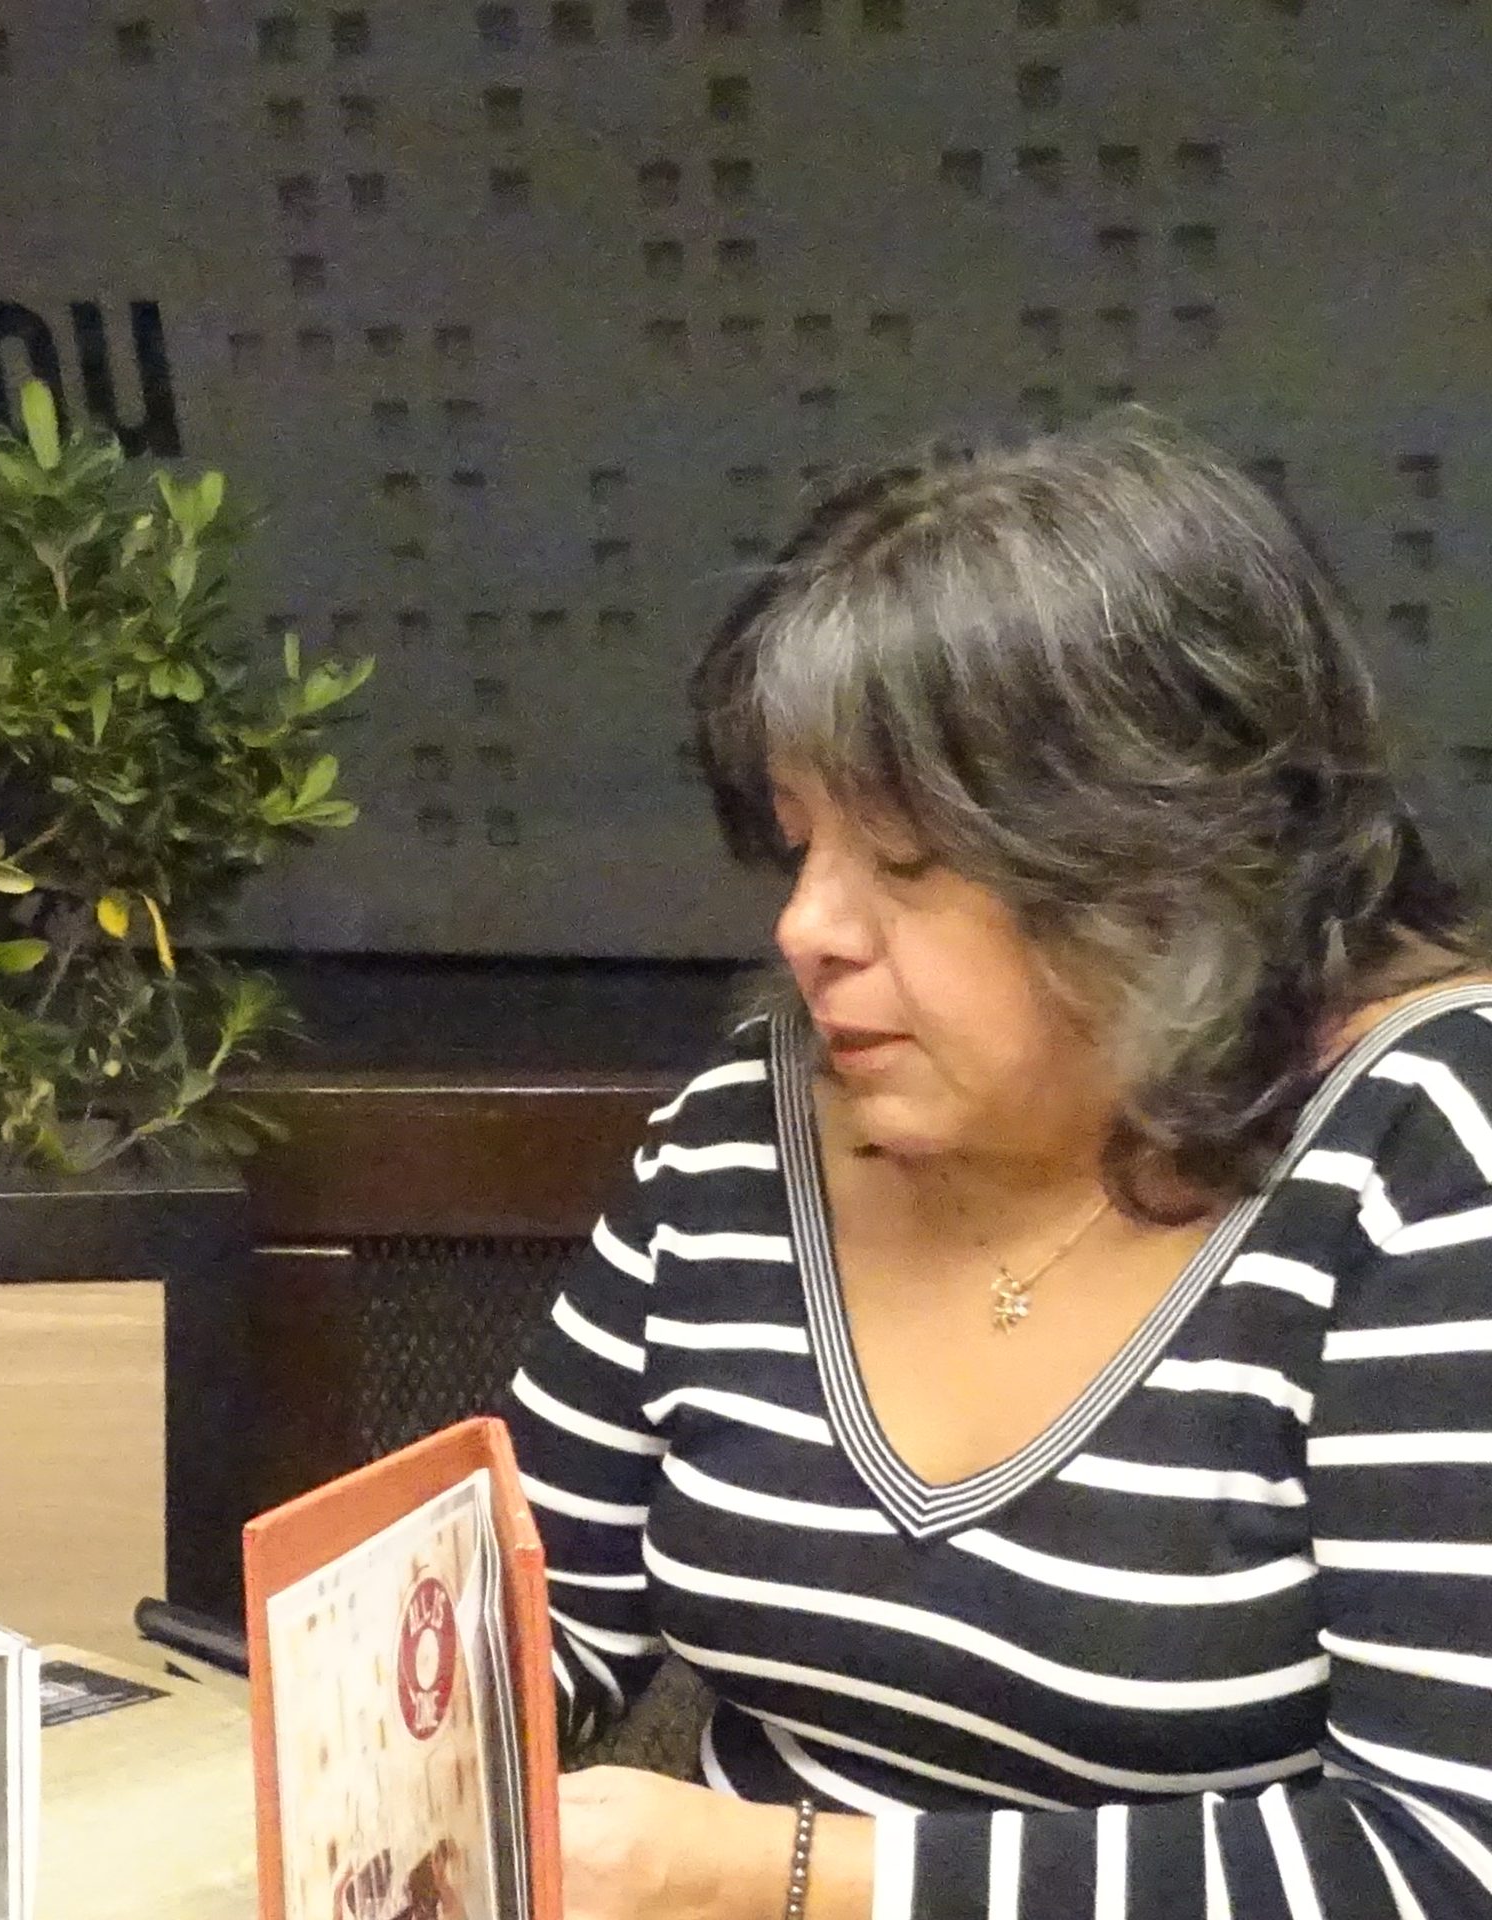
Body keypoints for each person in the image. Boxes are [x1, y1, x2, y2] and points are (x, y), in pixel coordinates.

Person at [505, 416, 1492, 1917]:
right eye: (801, 844)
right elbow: (530, 1619)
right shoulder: (746, 1132)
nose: (808, 927)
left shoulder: (1428, 1153)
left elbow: (1441, 1860)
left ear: (1166, 864)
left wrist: (778, 1876)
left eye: (906, 861)